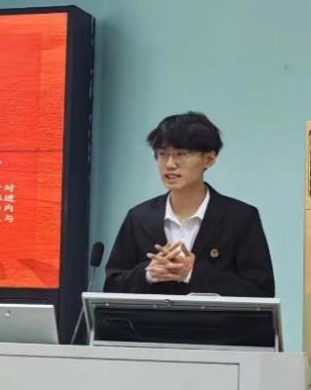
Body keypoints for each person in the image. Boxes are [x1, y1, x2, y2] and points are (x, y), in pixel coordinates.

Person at [104, 111, 274, 297]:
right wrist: (148, 274)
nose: (170, 164)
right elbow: (112, 285)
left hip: (214, 317)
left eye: (180, 154)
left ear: (209, 159)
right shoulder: (138, 217)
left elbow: (261, 292)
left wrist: (192, 273)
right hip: (153, 317)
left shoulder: (240, 218)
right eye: (162, 154)